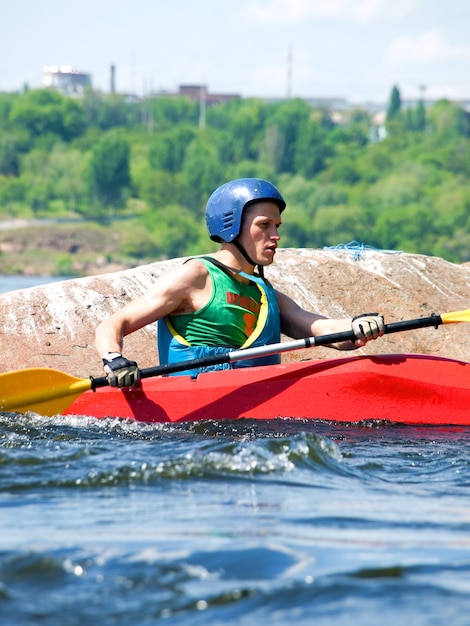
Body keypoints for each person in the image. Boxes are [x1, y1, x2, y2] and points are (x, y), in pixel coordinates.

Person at [95, 178, 384, 388]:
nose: (276, 236)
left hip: (251, 418)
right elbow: (113, 324)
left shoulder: (266, 294)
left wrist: (357, 326)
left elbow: (322, 329)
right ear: (231, 227)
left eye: (278, 226)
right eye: (264, 225)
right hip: (192, 419)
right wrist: (114, 359)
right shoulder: (196, 275)